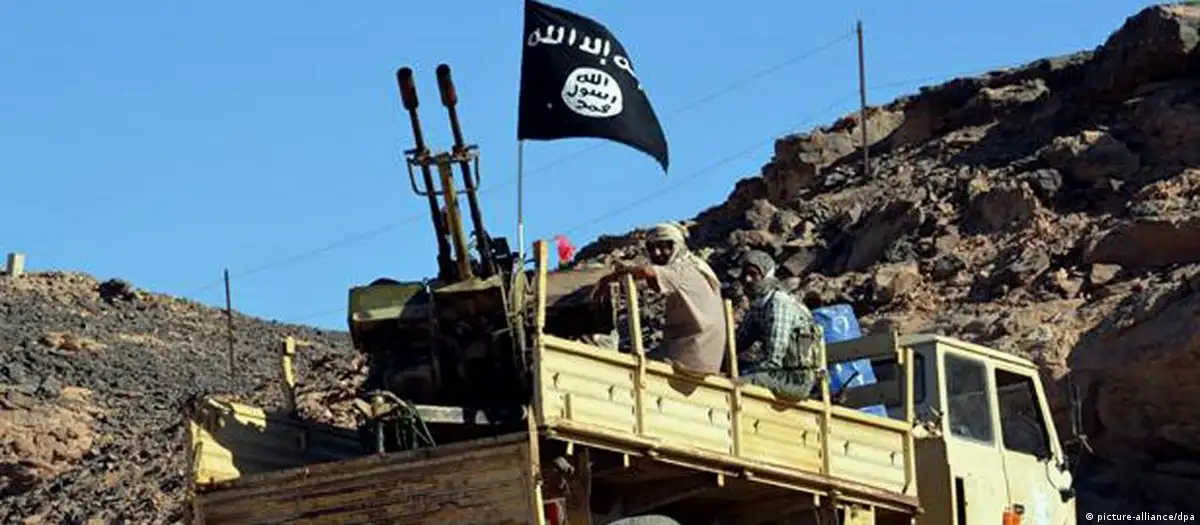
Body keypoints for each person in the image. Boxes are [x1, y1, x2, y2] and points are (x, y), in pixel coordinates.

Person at [592, 223, 727, 375]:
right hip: (701, 354)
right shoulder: (697, 267)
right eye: (651, 248)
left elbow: (647, 272)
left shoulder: (682, 268)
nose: (656, 253)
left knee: (622, 369)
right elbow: (653, 282)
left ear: (677, 246)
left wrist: (614, 275)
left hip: (688, 354)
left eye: (664, 247)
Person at [733, 250, 824, 401]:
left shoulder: (779, 303)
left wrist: (746, 373)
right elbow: (739, 341)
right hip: (779, 373)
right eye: (744, 275)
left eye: (753, 274)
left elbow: (774, 360)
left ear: (766, 276)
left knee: (741, 381)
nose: (747, 279)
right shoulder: (759, 305)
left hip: (796, 379)